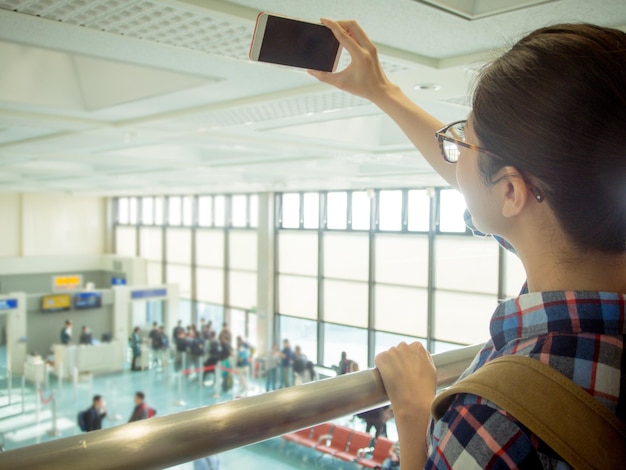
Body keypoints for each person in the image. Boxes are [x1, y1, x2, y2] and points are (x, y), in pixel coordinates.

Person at [310, 19, 625, 468]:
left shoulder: (487, 420)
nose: (454, 155)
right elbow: (496, 191)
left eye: (464, 143)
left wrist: (416, 414)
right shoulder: (592, 255)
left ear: (512, 192)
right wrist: (382, 90)